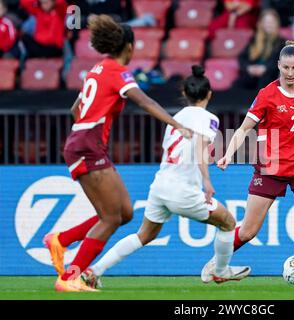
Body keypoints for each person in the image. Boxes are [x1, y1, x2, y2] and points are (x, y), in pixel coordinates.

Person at [43, 15, 192, 292]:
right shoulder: (117, 71)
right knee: (111, 218)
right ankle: (69, 278)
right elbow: (143, 100)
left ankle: (61, 240)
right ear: (130, 47)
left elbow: (75, 110)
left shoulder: (97, 68)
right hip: (88, 146)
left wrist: (89, 129)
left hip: (84, 142)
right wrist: (176, 124)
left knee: (123, 213)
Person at [80, 65, 251, 289]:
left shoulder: (176, 118)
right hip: (183, 191)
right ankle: (220, 271)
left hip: (160, 186)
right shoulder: (209, 118)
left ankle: (94, 271)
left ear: (184, 94)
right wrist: (207, 181)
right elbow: (200, 143)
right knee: (228, 222)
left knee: (144, 235)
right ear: (209, 94)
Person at [201, 40, 294, 286]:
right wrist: (229, 153)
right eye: (286, 68)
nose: (290, 73)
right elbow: (244, 128)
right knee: (249, 231)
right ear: (278, 67)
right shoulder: (267, 94)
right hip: (270, 167)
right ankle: (215, 264)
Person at [235, 9, 286, 90]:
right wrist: (249, 68)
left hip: (270, 76)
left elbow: (282, 63)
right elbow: (241, 58)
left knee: (264, 81)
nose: (269, 24)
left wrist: (265, 68)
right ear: (261, 24)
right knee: (238, 83)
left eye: (271, 22)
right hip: (252, 75)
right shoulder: (254, 40)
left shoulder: (281, 43)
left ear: (277, 24)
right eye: (266, 22)